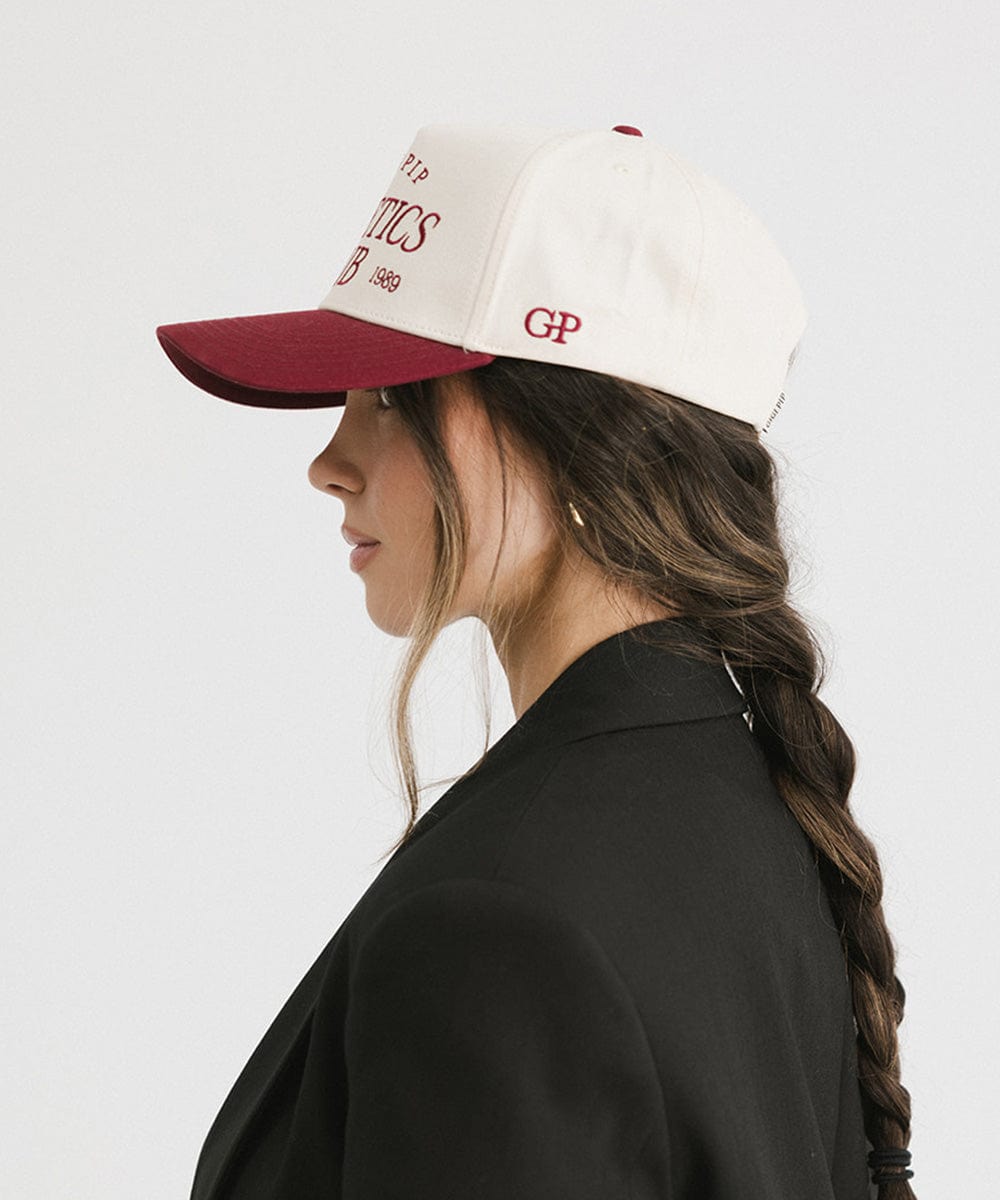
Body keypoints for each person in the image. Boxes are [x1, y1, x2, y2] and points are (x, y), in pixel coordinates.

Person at [155, 122, 917, 1200]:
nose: (330, 464)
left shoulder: (498, 930)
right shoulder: (743, 803)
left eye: (389, 397)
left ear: (576, 437)